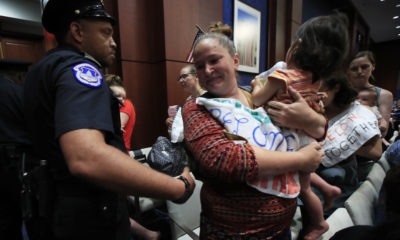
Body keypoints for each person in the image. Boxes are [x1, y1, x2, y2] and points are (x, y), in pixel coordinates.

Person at [22, 1, 195, 239]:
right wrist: (177, 188)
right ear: (77, 31)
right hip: (87, 216)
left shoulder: (43, 69)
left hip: (50, 209)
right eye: (105, 32)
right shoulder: (81, 71)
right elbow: (87, 157)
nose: (113, 42)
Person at [182, 32, 325, 239]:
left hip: (282, 229)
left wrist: (310, 119)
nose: (207, 70)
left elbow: (318, 127)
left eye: (214, 60)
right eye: (199, 66)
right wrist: (302, 159)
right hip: (231, 233)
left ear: (235, 61)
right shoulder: (196, 108)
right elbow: (224, 159)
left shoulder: (261, 96)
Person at [249, 13, 349, 240]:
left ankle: (318, 223)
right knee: (304, 185)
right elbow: (319, 121)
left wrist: (256, 84)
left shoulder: (281, 74)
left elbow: (256, 99)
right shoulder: (315, 80)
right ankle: (325, 192)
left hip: (286, 141)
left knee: (301, 189)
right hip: (305, 141)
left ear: (297, 45)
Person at [317, 74, 382, 214]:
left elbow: (377, 152)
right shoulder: (317, 108)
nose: (315, 93)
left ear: (335, 88)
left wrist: (341, 143)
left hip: (340, 184)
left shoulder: (360, 112)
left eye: (319, 87)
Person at [0, 59, 32, 240]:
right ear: (19, 75)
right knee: (25, 213)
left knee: (4, 219)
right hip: (16, 161)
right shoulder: (19, 93)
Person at [347, 50, 393, 137]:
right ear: (348, 71)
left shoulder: (384, 95)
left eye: (364, 67)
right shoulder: (340, 92)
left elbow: (382, 132)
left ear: (373, 67)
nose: (360, 71)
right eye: (354, 69)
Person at [166, 64, 205, 139]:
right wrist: (171, 121)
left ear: (196, 76)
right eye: (180, 78)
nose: (181, 80)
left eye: (184, 76)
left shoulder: (208, 97)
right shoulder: (188, 100)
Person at [105, 74, 136, 151]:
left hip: (118, 152)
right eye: (117, 96)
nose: (121, 99)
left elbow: (115, 130)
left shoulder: (126, 104)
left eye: (123, 97)